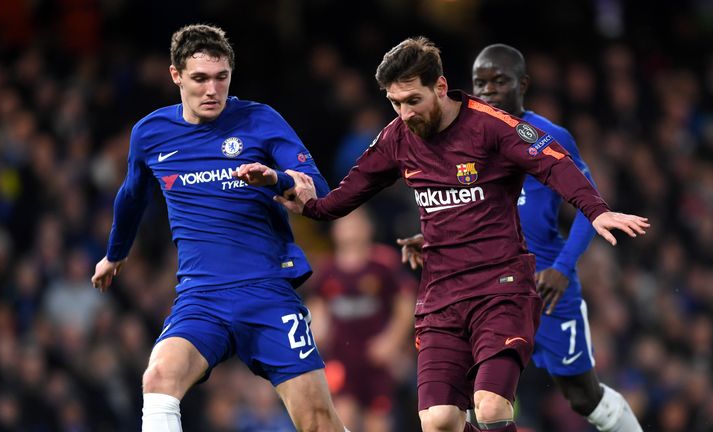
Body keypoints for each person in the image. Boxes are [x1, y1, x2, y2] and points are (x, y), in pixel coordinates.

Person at [237, 36, 649, 432]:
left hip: (500, 287)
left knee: (496, 405)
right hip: (442, 297)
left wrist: (596, 211)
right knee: (438, 421)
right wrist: (295, 196)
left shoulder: (491, 126)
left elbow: (555, 163)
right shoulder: (397, 137)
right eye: (395, 103)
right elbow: (342, 198)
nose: (405, 113)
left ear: (440, 86)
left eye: (413, 100)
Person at [90, 24, 347, 432]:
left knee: (317, 421)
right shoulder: (151, 134)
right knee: (158, 378)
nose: (212, 89)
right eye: (199, 78)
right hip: (201, 298)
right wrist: (115, 254)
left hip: (267, 293)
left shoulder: (260, 120)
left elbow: (317, 189)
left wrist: (276, 180)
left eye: (221, 77)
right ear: (175, 75)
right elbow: (131, 197)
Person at [397, 44, 644, 432]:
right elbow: (463, 206)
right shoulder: (463, 135)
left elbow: (587, 204)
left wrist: (562, 269)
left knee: (582, 396)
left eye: (500, 81)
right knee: (472, 403)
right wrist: (427, 236)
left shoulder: (547, 135)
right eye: (481, 82)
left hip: (549, 289)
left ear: (523, 84)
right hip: (488, 291)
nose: (490, 90)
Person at [306, 206, 416, 432]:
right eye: (345, 223)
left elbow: (405, 304)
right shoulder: (327, 270)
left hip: (376, 356)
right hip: (341, 356)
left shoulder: (384, 263)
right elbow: (317, 310)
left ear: (368, 228)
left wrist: (392, 341)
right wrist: (316, 341)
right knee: (343, 413)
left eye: (356, 222)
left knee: (379, 419)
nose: (350, 229)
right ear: (335, 230)